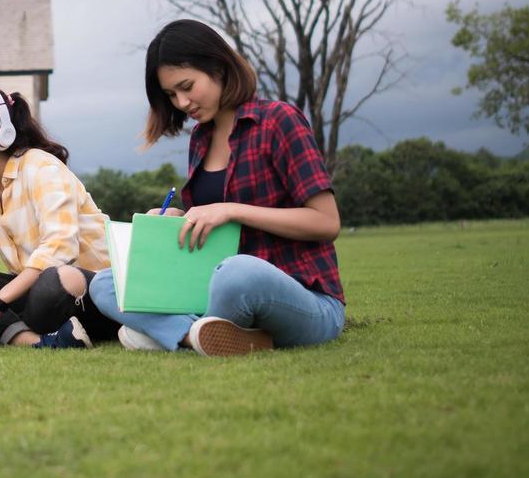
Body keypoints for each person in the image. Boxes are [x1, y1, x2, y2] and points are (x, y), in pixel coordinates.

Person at [88, 20, 346, 356]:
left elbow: (327, 223)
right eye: (171, 95)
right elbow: (212, 224)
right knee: (107, 282)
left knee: (237, 272)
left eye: (187, 86)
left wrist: (232, 210)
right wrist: (177, 220)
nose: (181, 102)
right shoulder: (201, 139)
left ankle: (177, 332)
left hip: (300, 298)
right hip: (215, 290)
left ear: (219, 67)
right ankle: (199, 335)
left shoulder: (279, 120)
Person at [0, 79, 119, 349]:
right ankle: (35, 340)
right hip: (33, 292)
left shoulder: (43, 168)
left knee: (52, 282)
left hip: (87, 293)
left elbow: (58, 251)